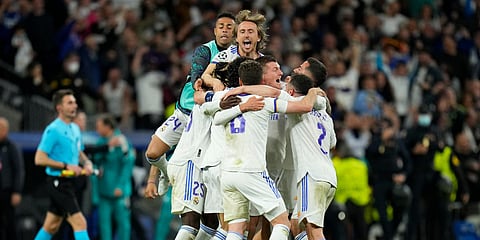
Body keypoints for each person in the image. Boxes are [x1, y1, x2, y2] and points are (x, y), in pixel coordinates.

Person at [213, 60, 325, 240]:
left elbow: (216, 117)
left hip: (228, 172)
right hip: (253, 171)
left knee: (236, 228)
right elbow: (304, 106)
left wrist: (240, 101)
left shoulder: (227, 99)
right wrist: (312, 92)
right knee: (282, 223)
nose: (282, 72)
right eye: (275, 69)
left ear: (241, 81)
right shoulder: (266, 102)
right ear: (261, 78)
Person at [144, 12, 236, 200]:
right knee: (152, 153)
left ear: (235, 32)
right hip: (185, 110)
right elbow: (197, 71)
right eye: (221, 26)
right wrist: (198, 83)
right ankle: (166, 172)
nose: (225, 30)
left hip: (207, 118)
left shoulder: (237, 55)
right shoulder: (205, 50)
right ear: (215, 31)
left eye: (229, 27)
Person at [33, 89, 94, 240]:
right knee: (80, 223)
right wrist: (66, 166)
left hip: (70, 182)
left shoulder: (74, 128)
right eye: (70, 103)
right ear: (59, 108)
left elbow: (79, 151)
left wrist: (87, 163)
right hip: (58, 182)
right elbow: (39, 159)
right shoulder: (53, 130)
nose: (75, 105)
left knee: (51, 226)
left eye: (74, 102)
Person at [284, 74, 337, 240]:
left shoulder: (297, 107)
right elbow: (332, 144)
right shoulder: (326, 116)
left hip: (311, 175)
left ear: (291, 92)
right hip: (329, 176)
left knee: (313, 229)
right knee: (295, 224)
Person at [201, 9, 268, 91]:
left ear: (259, 37)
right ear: (236, 38)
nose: (246, 35)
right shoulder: (227, 56)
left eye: (250, 32)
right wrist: (215, 82)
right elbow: (205, 76)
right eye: (242, 32)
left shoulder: (264, 62)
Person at [92, 114, 135, 240]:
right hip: (104, 192)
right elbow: (95, 161)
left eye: (99, 127)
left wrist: (120, 186)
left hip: (119, 193)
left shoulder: (122, 141)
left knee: (123, 224)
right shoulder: (101, 142)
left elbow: (128, 165)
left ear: (108, 126)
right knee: (104, 225)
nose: (97, 130)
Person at [0, 117, 25, 240]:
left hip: (7, 192)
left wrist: (17, 191)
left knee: (11, 223)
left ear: (5, 130)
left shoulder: (11, 147)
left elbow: (19, 170)